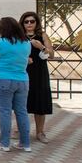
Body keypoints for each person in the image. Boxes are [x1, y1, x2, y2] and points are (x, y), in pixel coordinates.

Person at [0, 17, 32, 152]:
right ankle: (25, 144)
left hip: (4, 80)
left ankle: (4, 143)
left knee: (5, 112)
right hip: (23, 80)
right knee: (22, 112)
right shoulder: (26, 43)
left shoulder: (0, 42)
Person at [20, 11, 55, 143]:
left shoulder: (42, 35)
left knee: (40, 101)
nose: (29, 24)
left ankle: (40, 132)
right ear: (22, 24)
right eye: (26, 22)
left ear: (36, 23)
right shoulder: (20, 36)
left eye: (32, 21)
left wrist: (41, 47)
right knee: (21, 101)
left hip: (39, 72)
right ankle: (20, 130)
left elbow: (51, 55)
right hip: (23, 71)